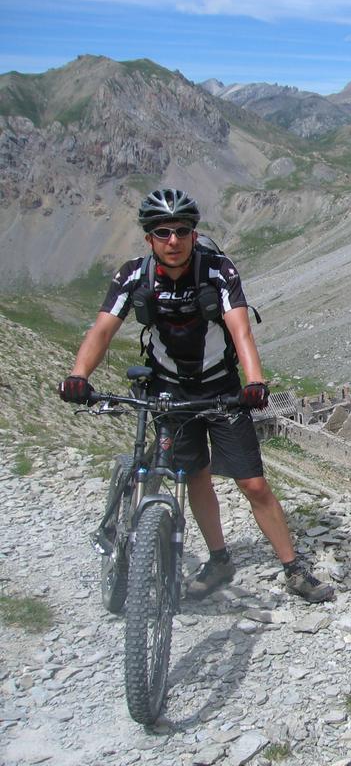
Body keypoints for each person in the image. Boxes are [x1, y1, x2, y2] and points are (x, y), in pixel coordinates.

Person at [58, 188, 334, 604]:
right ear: (149, 238)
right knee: (195, 475)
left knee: (253, 484)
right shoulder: (134, 274)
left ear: (193, 233)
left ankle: (293, 567)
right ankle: (219, 559)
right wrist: (78, 375)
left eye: (182, 231)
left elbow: (240, 329)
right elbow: (102, 330)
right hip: (169, 388)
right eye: (163, 232)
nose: (173, 240)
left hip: (221, 386)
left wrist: (254, 380)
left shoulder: (217, 270)